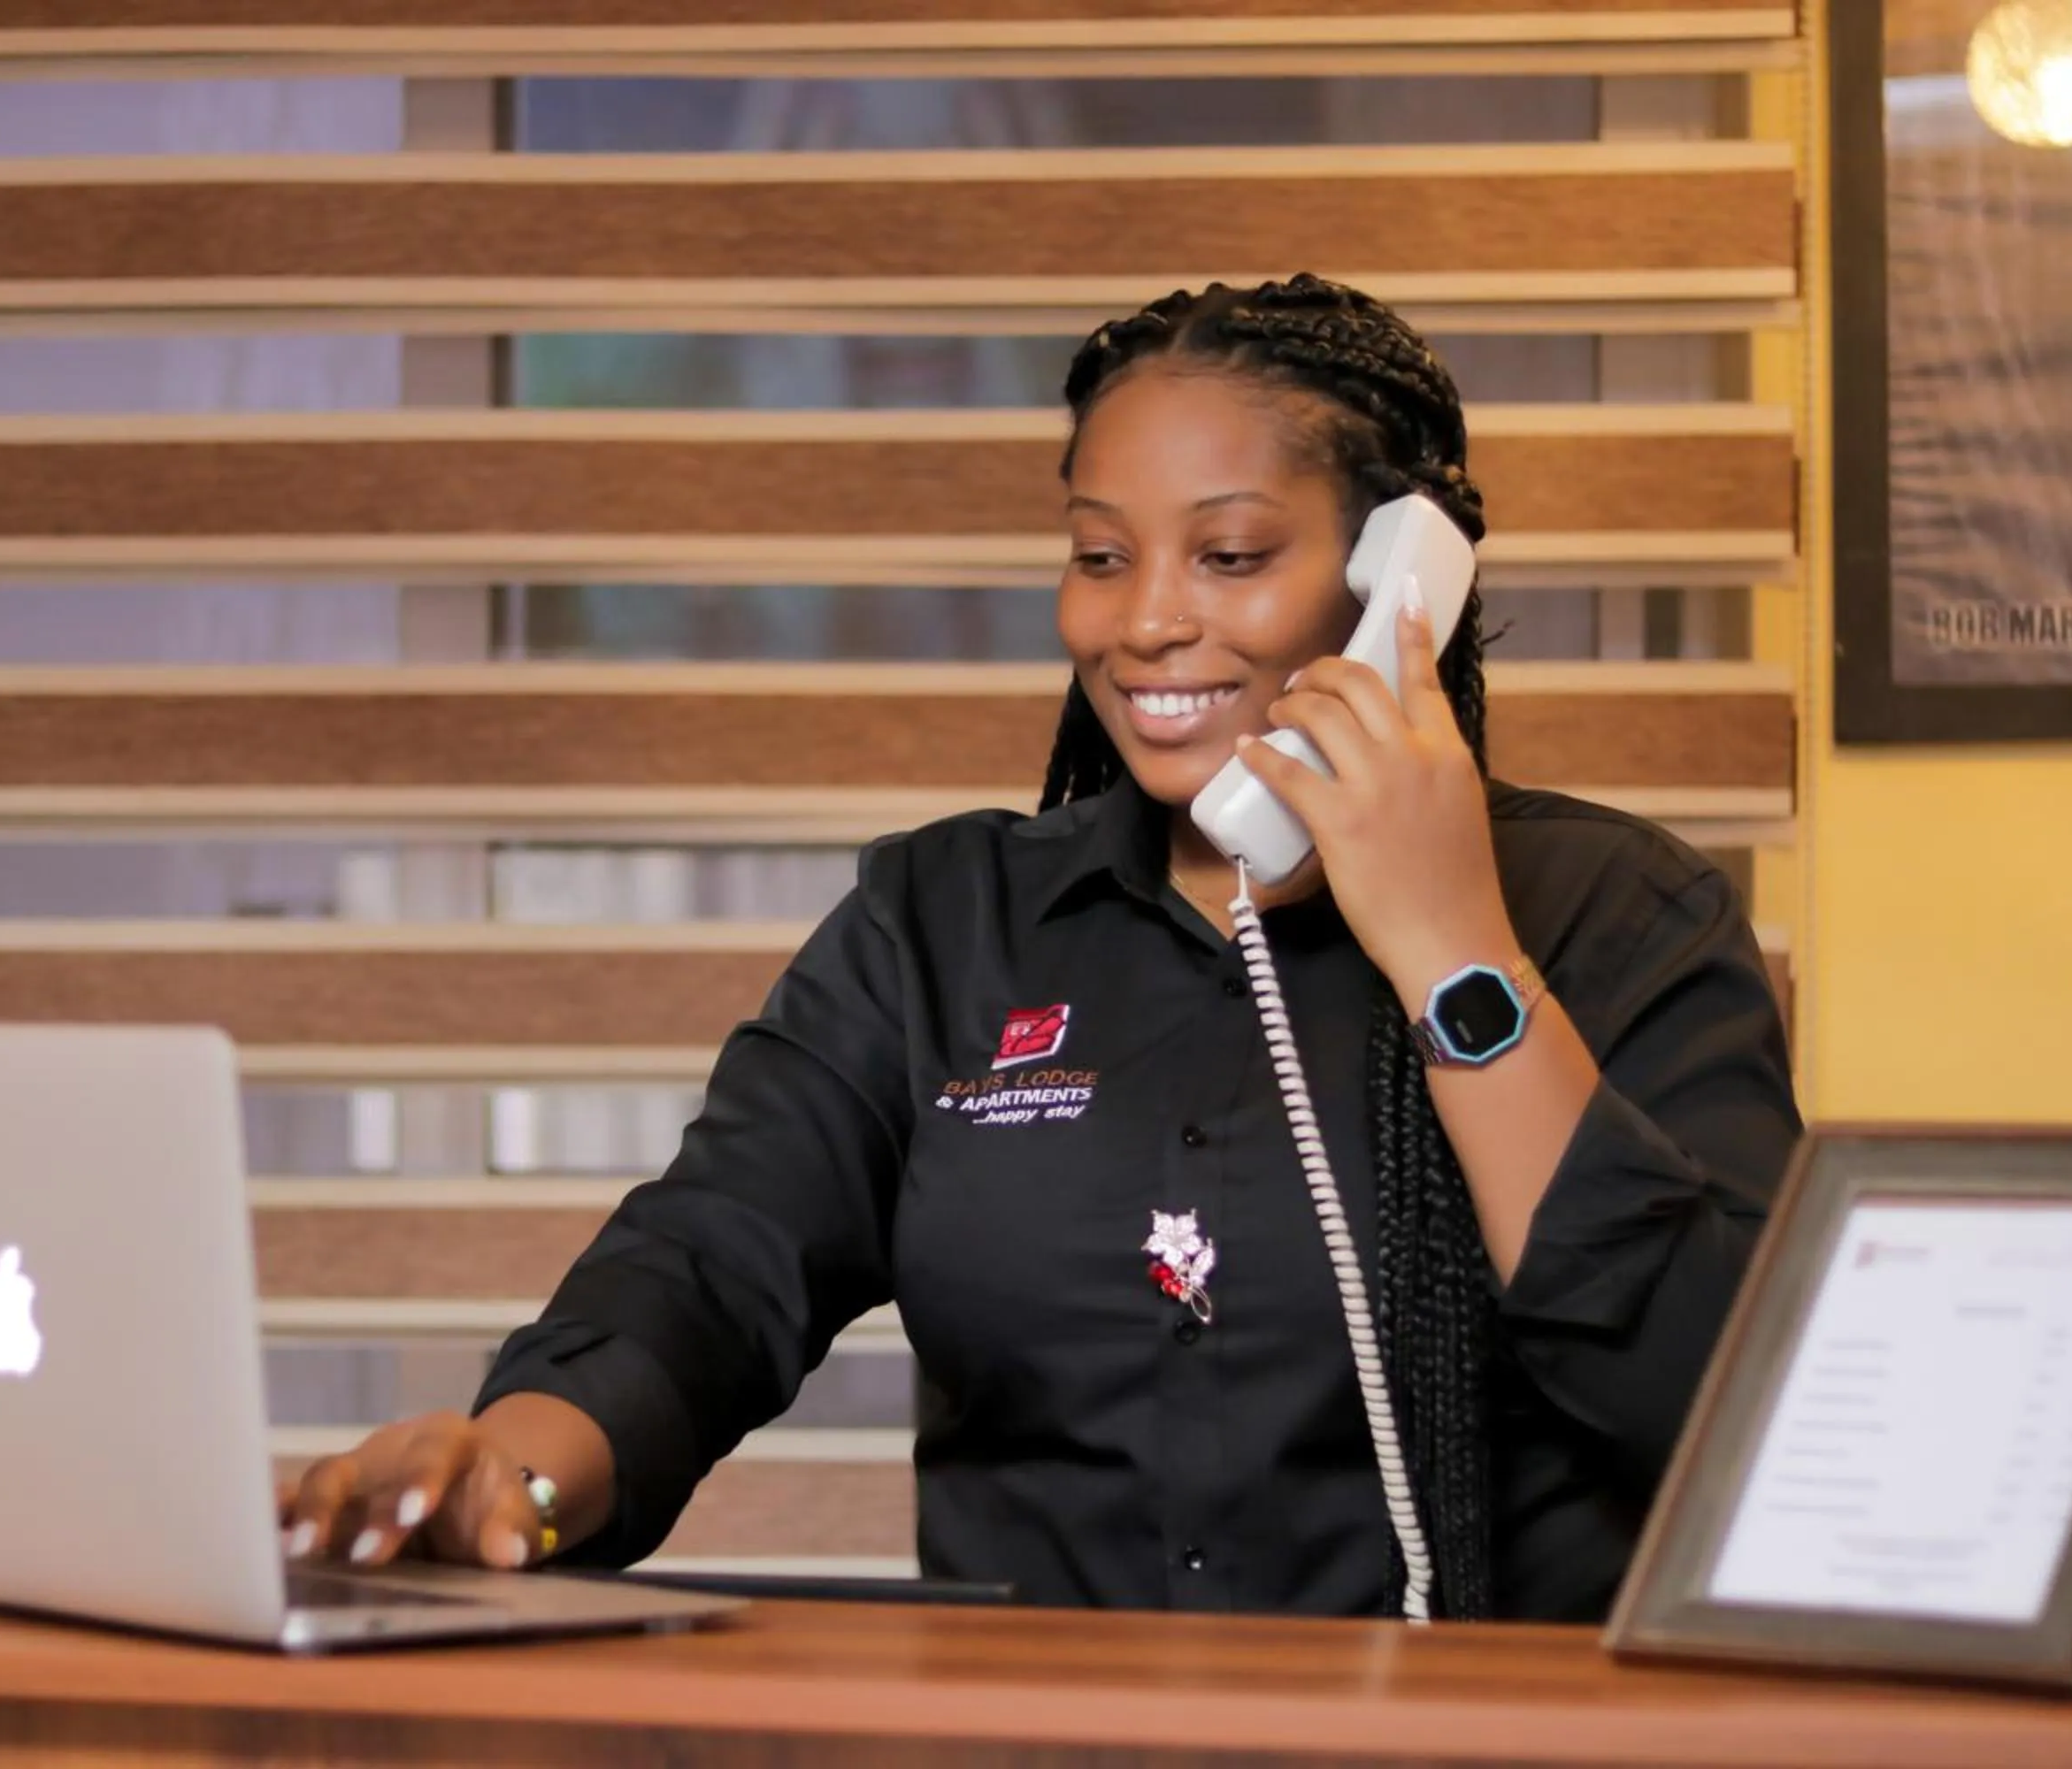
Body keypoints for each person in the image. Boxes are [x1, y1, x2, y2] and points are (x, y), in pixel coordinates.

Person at [281, 274, 1801, 1621]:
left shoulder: (1617, 915)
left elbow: (1722, 1406)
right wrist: (505, 1479)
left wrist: (1455, 950)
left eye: (1229, 556)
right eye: (1098, 555)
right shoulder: (942, 928)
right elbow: (703, 1277)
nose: (1143, 624)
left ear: (1405, 577)